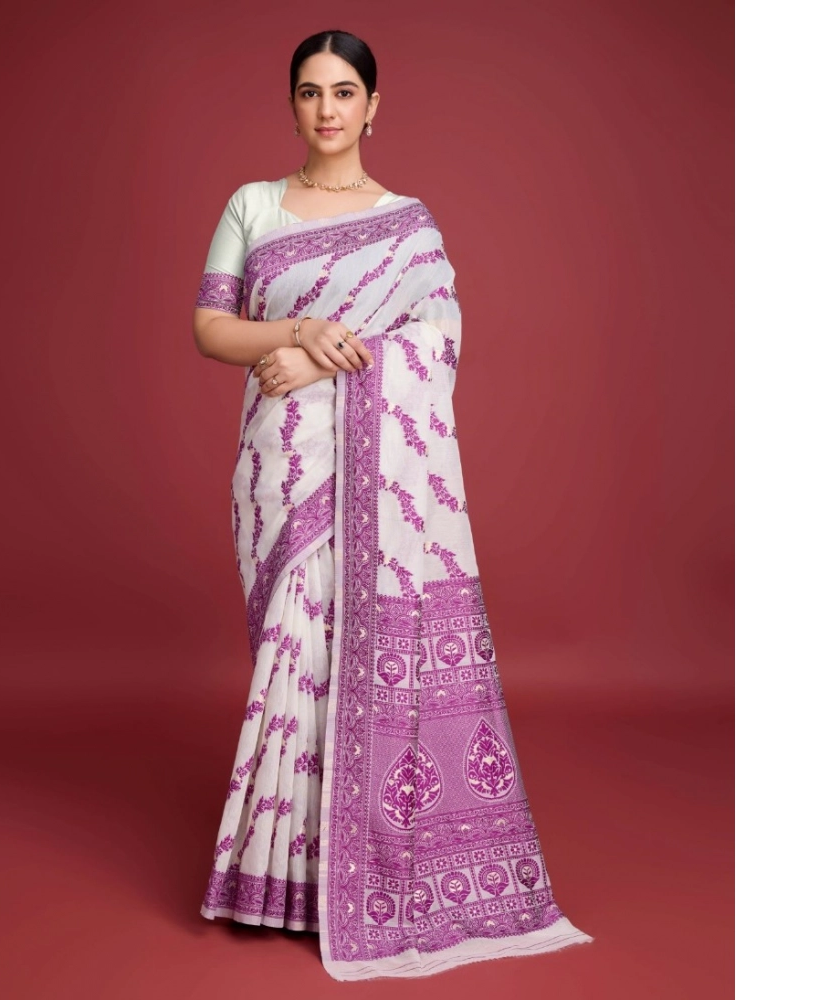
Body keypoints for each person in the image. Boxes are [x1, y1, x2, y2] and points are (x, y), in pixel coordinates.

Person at [192, 28, 593, 981]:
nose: (326, 108)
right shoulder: (252, 205)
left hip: (367, 469)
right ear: (292, 104)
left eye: (344, 91)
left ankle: (329, 874)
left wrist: (320, 365)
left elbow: (437, 340)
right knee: (293, 655)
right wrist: (296, 332)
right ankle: (281, 879)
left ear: (373, 106)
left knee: (346, 652)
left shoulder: (409, 225)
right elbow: (209, 328)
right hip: (280, 468)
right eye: (309, 91)